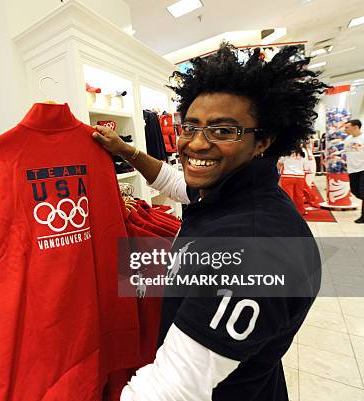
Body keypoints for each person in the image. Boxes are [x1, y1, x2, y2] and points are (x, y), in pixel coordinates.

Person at [92, 44, 324, 401]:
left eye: (223, 131)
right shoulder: (231, 191)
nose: (196, 144)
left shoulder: (253, 245)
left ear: (262, 140)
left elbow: (168, 392)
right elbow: (176, 184)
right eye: (191, 127)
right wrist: (127, 151)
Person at [344, 119, 364, 223]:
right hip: (352, 170)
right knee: (355, 192)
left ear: (356, 127)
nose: (345, 129)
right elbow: (347, 152)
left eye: (347, 127)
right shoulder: (348, 139)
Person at [278, 145, 311, 215]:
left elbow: (280, 163)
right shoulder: (303, 152)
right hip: (300, 177)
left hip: (287, 176)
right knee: (299, 195)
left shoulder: (286, 152)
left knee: (288, 195)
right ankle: (301, 211)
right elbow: (306, 164)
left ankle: (289, 211)